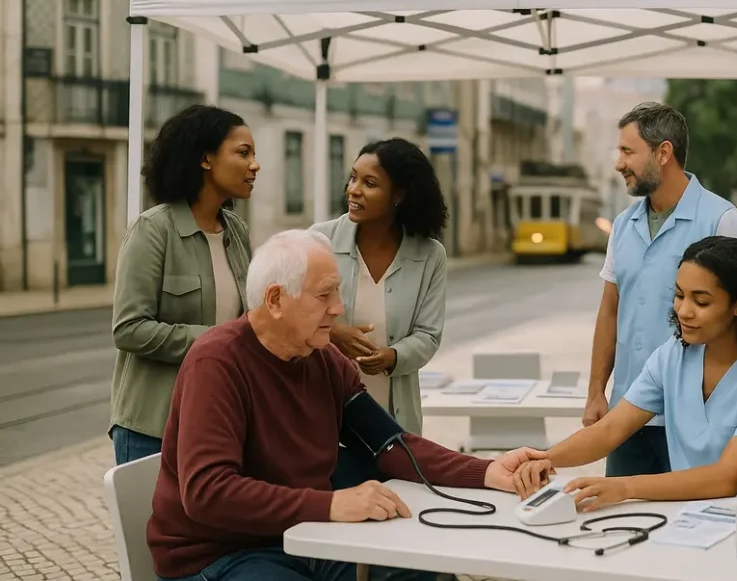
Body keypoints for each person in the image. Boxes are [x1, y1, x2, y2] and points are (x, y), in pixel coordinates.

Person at [148, 229, 542, 581]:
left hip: (309, 535)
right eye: (324, 295)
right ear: (275, 299)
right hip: (221, 554)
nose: (338, 308)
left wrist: (490, 472)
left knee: (423, 572)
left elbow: (389, 445)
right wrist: (334, 504)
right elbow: (208, 492)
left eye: (336, 292)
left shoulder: (324, 359)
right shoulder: (217, 362)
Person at [511, 236, 737, 508]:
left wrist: (624, 487)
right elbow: (610, 430)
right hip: (694, 518)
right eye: (679, 296)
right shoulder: (673, 356)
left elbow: (727, 478)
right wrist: (545, 459)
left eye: (701, 301)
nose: (684, 311)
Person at [587, 102, 737, 479]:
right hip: (626, 415)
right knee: (621, 522)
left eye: (628, 152)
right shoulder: (623, 225)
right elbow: (610, 311)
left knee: (692, 526)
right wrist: (596, 391)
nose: (619, 163)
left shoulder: (722, 220)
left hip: (697, 420)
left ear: (663, 153)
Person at [109, 104, 258, 465]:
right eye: (243, 153)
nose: (255, 165)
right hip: (153, 427)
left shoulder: (237, 232)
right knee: (152, 524)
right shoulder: (153, 229)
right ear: (206, 159)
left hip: (220, 421)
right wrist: (217, 340)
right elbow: (128, 329)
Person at [311, 138, 448, 438]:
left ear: (398, 195)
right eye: (353, 177)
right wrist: (334, 333)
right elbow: (287, 315)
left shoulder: (430, 255)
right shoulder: (319, 241)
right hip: (325, 411)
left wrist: (393, 356)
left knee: (397, 484)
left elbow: (429, 335)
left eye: (369, 183)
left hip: (395, 417)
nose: (353, 189)